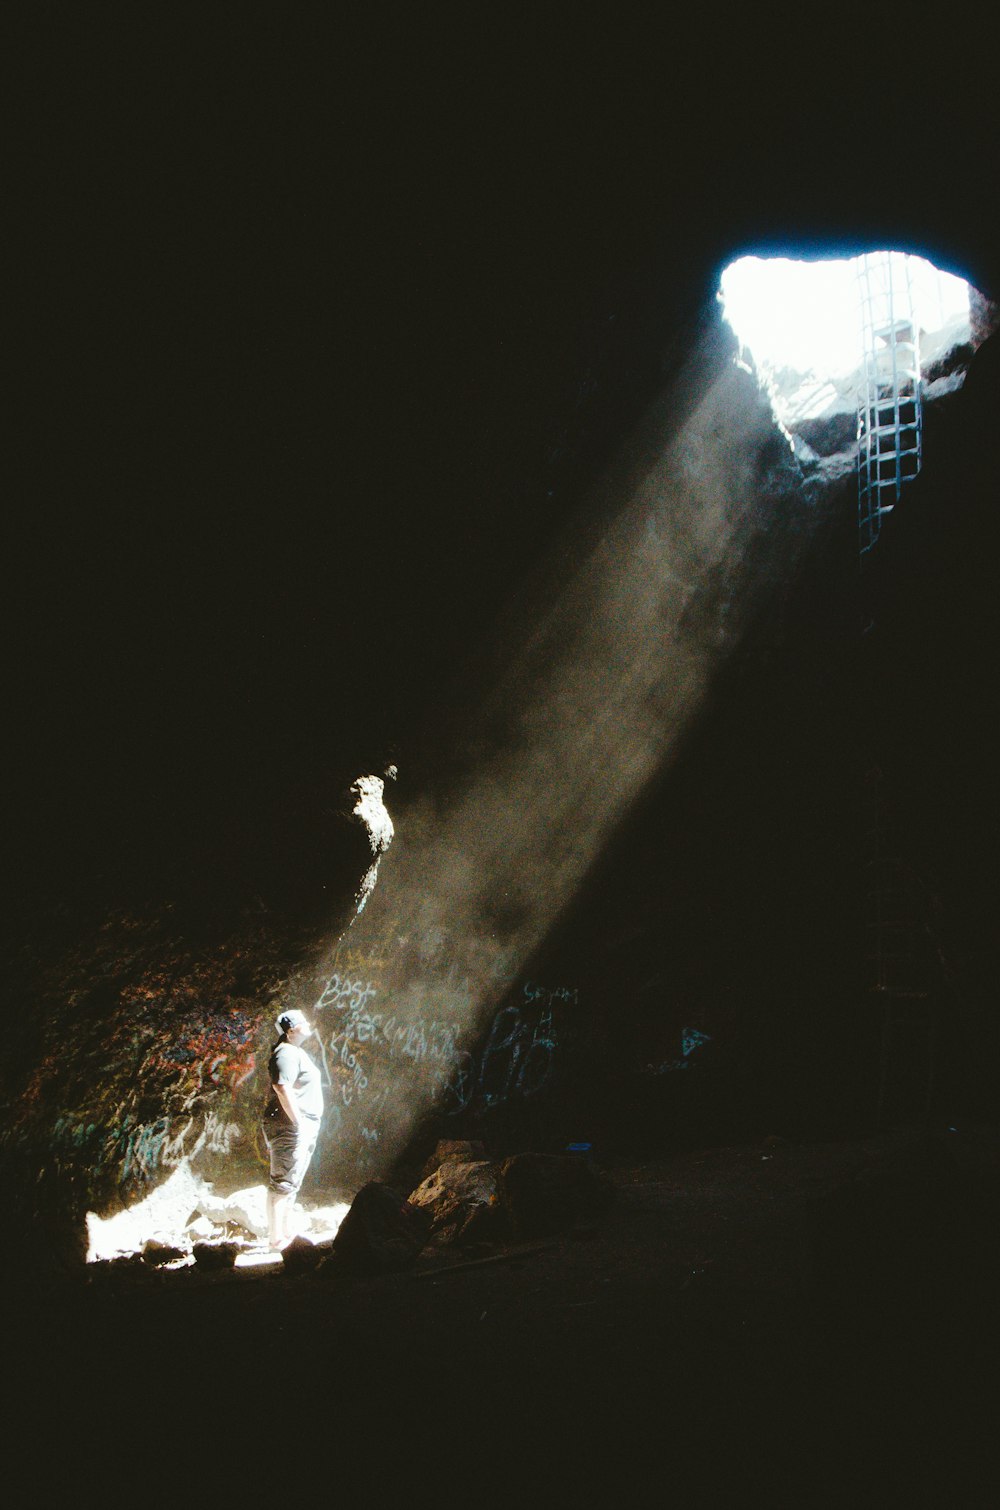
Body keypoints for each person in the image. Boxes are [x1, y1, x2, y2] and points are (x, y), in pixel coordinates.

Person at [261, 1008, 323, 1250]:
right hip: (290, 1126)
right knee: (283, 1181)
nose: (308, 1024)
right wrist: (298, 1123)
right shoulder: (285, 1053)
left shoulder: (295, 1052)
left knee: (291, 1180)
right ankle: (276, 1239)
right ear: (290, 1030)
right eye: (303, 1022)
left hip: (300, 1124)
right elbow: (281, 1087)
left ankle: (284, 1233)